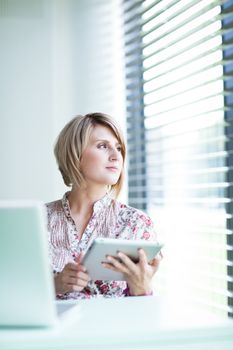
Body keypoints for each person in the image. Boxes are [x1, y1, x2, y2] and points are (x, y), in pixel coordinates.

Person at [46, 112, 162, 299]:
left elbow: (142, 316)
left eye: (119, 148)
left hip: (112, 327)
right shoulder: (39, 221)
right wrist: (55, 284)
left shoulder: (136, 223)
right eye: (102, 146)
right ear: (74, 154)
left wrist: (142, 287)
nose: (116, 156)